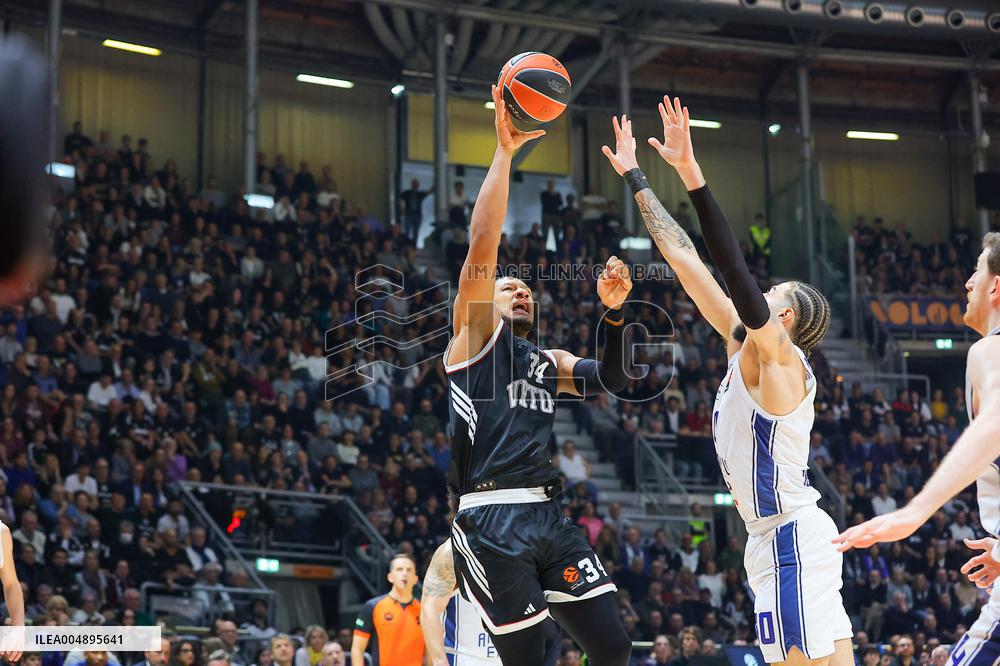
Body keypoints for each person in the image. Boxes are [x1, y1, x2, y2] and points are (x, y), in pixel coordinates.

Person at [601, 98, 849, 666]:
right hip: (776, 540)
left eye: (772, 294)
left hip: (788, 539)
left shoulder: (780, 360)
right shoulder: (745, 345)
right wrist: (638, 177)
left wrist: (691, 172)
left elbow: (732, 268)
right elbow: (686, 258)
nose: (757, 293)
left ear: (782, 319)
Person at [444, 84, 632, 666]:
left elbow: (615, 380)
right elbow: (483, 243)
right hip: (491, 517)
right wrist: (504, 153)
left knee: (614, 649)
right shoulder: (473, 340)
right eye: (508, 286)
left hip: (549, 515)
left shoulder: (546, 363)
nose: (521, 288)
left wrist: (616, 314)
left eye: (526, 287)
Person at [834, 233, 1000, 666]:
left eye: (978, 271)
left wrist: (915, 511)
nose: (967, 282)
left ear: (996, 286)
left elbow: (996, 425)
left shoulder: (992, 349)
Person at [420, 539, 501, 665]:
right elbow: (430, 609)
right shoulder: (451, 552)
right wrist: (439, 661)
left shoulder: (519, 545)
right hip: (464, 657)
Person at [351, 553, 424, 666]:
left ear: (415, 579)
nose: (404, 573)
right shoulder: (372, 606)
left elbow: (430, 652)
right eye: (399, 569)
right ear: (390, 577)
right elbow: (358, 648)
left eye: (409, 570)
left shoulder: (424, 610)